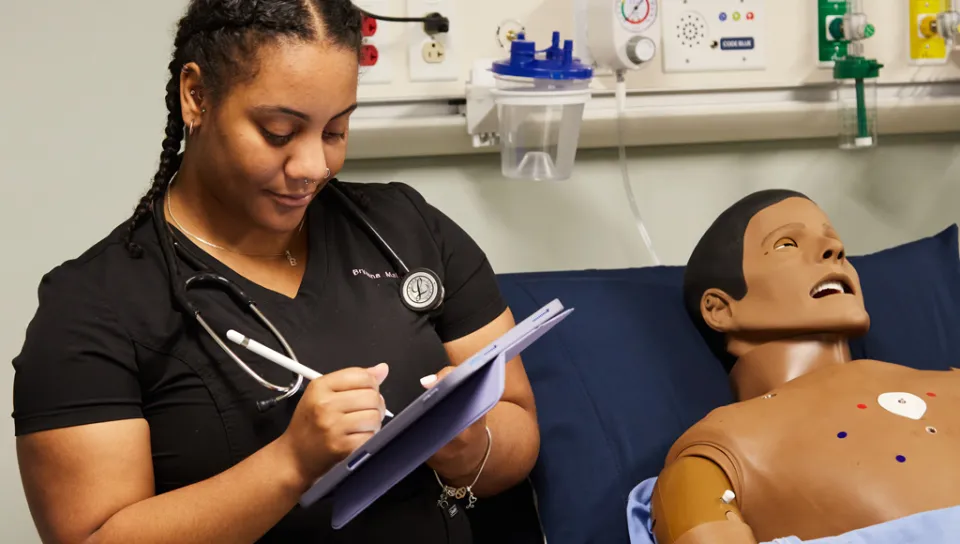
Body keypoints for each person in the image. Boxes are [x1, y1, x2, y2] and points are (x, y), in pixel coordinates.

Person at [11, 1, 543, 543]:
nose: (313, 167)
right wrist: (291, 463)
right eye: (279, 132)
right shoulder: (92, 308)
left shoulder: (405, 230)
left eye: (335, 130)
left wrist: (468, 446)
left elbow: (517, 422)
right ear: (196, 96)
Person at [647, 190, 960, 543]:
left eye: (834, 242)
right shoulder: (716, 457)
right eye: (787, 244)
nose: (834, 251)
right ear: (721, 308)